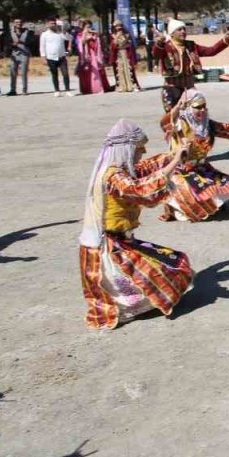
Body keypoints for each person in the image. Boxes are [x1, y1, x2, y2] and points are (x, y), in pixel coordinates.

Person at [79, 120, 193, 330]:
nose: (143, 152)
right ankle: (123, 309)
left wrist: (176, 154)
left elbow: (147, 167)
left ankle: (138, 303)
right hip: (109, 246)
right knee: (160, 274)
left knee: (174, 264)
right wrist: (176, 160)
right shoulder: (113, 176)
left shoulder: (121, 171)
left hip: (121, 240)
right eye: (139, 148)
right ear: (127, 149)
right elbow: (139, 188)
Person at [157, 90, 229, 222]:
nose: (203, 110)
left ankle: (212, 205)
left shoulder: (208, 125)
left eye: (204, 106)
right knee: (192, 191)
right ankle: (181, 209)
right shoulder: (179, 124)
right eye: (198, 107)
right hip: (179, 170)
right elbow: (165, 123)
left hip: (202, 168)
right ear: (188, 108)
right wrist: (177, 107)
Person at [152, 19, 229, 109]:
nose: (183, 31)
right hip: (172, 89)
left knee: (196, 113)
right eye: (179, 29)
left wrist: (225, 40)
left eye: (184, 29)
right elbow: (156, 54)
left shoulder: (191, 46)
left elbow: (211, 51)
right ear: (172, 33)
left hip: (189, 89)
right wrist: (159, 43)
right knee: (173, 115)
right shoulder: (166, 46)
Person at [75, 21, 112, 95]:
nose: (89, 28)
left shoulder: (93, 33)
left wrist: (95, 36)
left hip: (93, 54)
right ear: (83, 27)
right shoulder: (80, 35)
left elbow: (98, 42)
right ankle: (87, 88)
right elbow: (81, 43)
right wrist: (85, 35)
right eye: (87, 27)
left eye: (90, 26)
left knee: (96, 70)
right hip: (84, 55)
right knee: (85, 71)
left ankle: (97, 88)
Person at [39, 18, 72, 96]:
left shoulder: (60, 33)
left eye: (54, 23)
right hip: (51, 57)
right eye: (51, 23)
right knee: (54, 74)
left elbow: (69, 38)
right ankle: (57, 90)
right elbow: (42, 46)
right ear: (47, 25)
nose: (53, 25)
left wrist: (64, 32)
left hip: (61, 57)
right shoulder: (44, 34)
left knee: (65, 74)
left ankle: (67, 90)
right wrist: (43, 57)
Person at [108, 22, 141, 93]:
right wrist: (117, 37)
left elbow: (130, 44)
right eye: (117, 26)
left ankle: (133, 86)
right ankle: (121, 86)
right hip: (118, 55)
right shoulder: (112, 35)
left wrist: (127, 44)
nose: (119, 28)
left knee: (129, 70)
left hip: (126, 54)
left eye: (120, 26)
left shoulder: (126, 34)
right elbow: (113, 46)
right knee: (120, 70)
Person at [6, 18, 34, 96]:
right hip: (14, 54)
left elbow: (31, 42)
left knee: (24, 73)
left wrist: (21, 42)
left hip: (24, 54)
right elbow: (7, 43)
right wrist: (12, 45)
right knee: (13, 72)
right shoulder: (10, 32)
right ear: (14, 23)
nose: (19, 23)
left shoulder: (28, 32)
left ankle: (24, 90)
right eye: (17, 22)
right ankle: (13, 90)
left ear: (23, 23)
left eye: (20, 22)